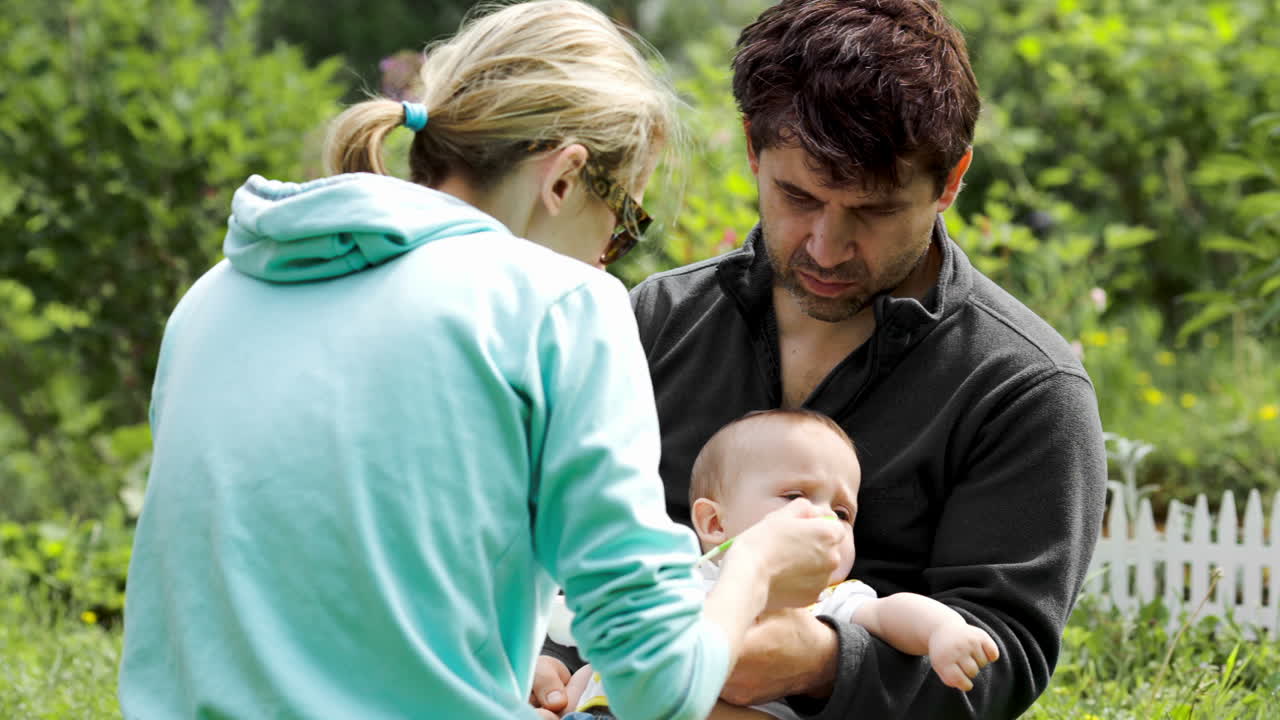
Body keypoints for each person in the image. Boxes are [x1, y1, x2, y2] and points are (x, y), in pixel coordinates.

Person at [116, 2, 848, 719]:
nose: (607, 257)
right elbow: (660, 687)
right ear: (563, 179)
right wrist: (755, 563)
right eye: (623, 221)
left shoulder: (216, 293)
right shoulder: (562, 304)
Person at [533, 1, 1108, 718]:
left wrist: (818, 663)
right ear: (753, 148)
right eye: (798, 197)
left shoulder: (1024, 389)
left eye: (874, 211)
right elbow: (550, 544)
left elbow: (1004, 658)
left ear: (950, 180)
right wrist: (542, 658)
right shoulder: (654, 322)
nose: (826, 248)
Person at [552, 410, 1001, 720]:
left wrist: (943, 630)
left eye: (842, 513)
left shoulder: (824, 603)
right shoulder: (676, 575)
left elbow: (890, 612)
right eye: (795, 496)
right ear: (714, 523)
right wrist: (562, 675)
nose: (824, 518)